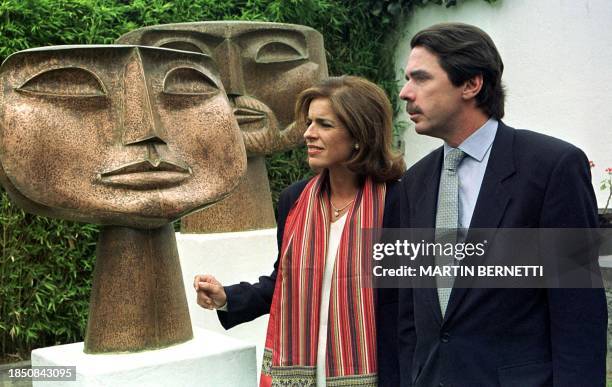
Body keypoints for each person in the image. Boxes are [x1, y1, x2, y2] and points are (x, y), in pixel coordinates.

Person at [397, 22, 607, 386]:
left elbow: (578, 312)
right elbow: (410, 317)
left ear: (471, 84)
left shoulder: (549, 167)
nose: (404, 93)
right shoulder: (415, 182)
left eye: (420, 79)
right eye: (407, 79)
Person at [194, 75, 408, 386]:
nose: (308, 134)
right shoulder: (295, 201)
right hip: (303, 374)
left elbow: (414, 307)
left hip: (376, 374)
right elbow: (282, 283)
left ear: (360, 134)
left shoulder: (400, 203)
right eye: (309, 123)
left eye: (324, 124)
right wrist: (227, 297)